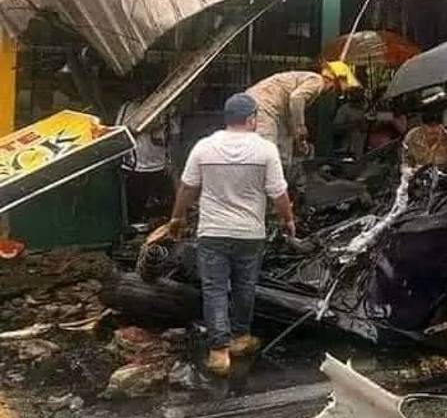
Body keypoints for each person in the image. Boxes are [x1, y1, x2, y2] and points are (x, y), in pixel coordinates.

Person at [167, 93, 295, 377]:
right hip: (250, 234)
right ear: (251, 119)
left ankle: (219, 352)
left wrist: (177, 217)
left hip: (212, 232)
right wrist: (288, 220)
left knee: (214, 289)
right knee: (244, 287)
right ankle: (240, 337)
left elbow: (187, 188)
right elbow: (279, 193)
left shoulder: (204, 147)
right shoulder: (266, 150)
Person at [246, 61, 361, 172]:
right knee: (266, 152)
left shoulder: (304, 81)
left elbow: (289, 115)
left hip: (261, 105)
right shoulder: (317, 81)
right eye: (335, 88)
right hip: (263, 106)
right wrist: (300, 126)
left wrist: (297, 137)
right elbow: (296, 98)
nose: (332, 92)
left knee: (282, 148)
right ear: (331, 81)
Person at [114, 101, 174, 225]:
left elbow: (171, 137)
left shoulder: (165, 108)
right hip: (136, 168)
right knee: (134, 212)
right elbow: (120, 132)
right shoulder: (129, 107)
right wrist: (146, 125)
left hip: (160, 166)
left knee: (163, 211)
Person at [331, 89, 368, 157]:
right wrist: (351, 125)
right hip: (346, 149)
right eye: (355, 95)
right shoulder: (344, 109)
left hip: (360, 150)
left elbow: (365, 129)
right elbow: (336, 127)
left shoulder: (365, 109)